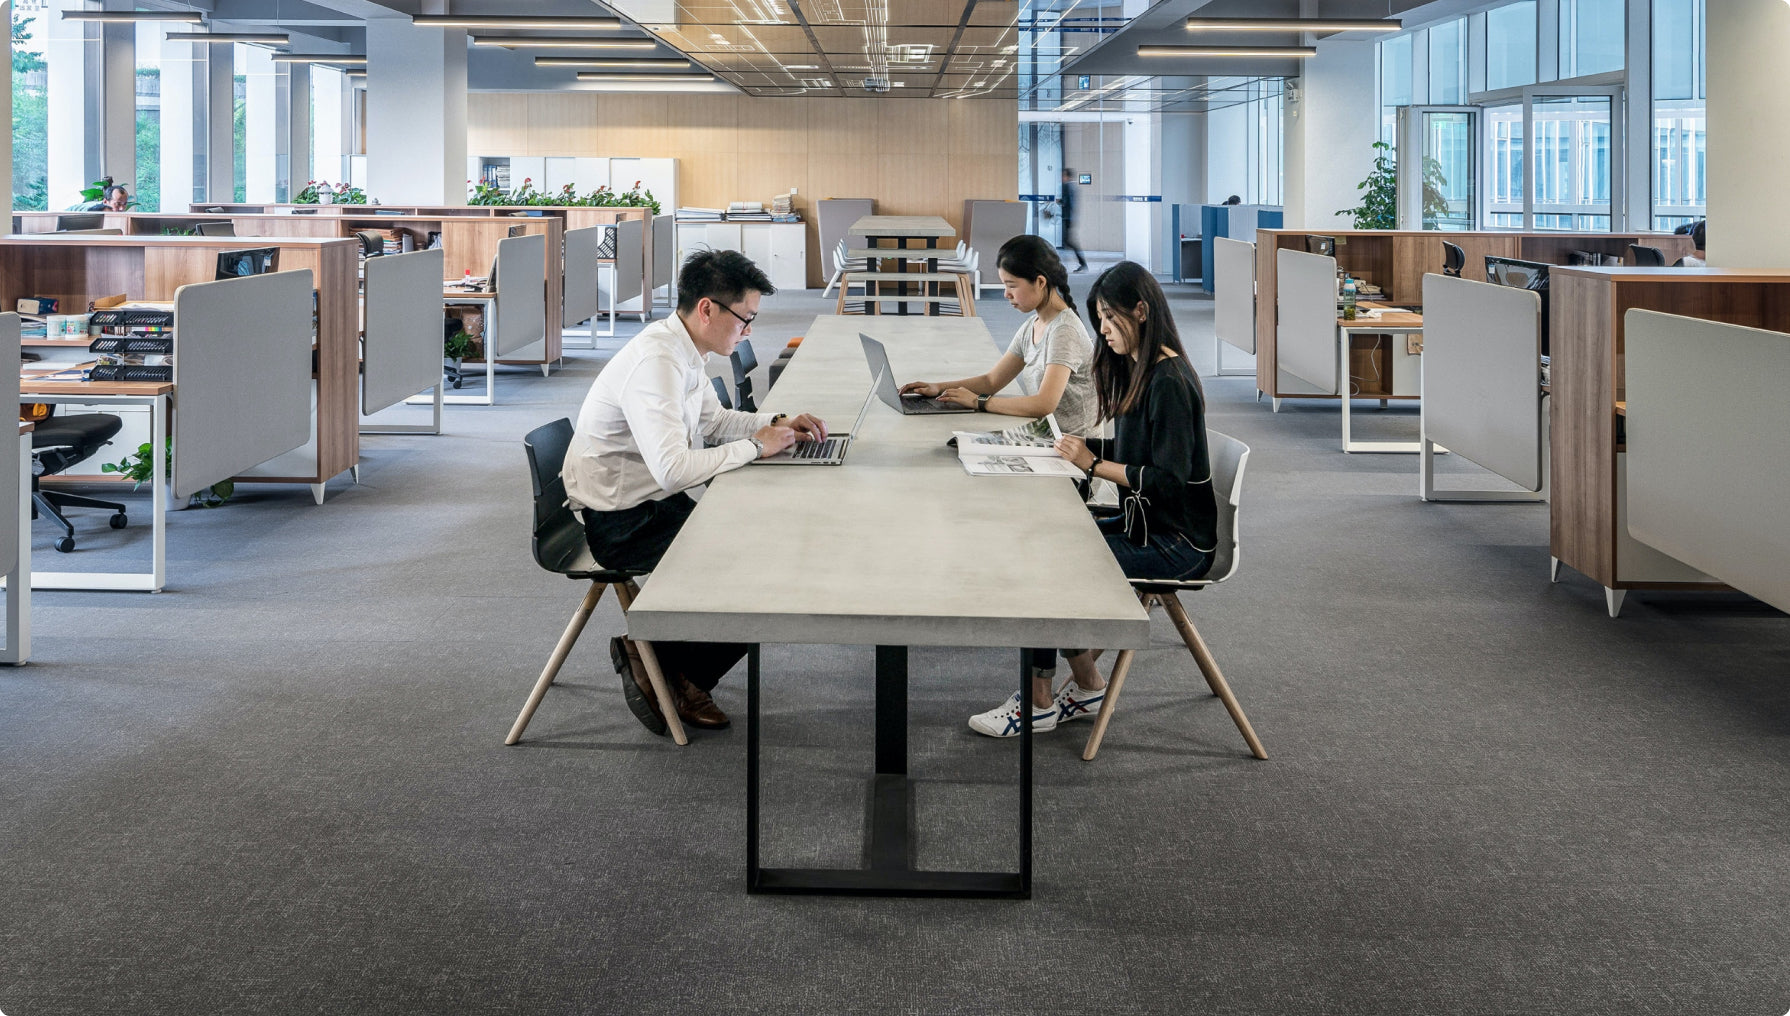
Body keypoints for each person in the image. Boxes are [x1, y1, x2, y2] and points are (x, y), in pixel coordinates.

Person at [563, 249, 828, 736]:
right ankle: (676, 672)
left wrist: (777, 422)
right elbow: (672, 471)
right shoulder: (657, 362)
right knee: (763, 573)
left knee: (773, 547)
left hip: (650, 503)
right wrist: (757, 446)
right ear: (707, 309)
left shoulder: (684, 349)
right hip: (622, 521)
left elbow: (714, 421)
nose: (749, 331)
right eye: (746, 319)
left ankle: (661, 657)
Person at [968, 261, 1219, 738]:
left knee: (1049, 565)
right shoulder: (1143, 370)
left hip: (1178, 543)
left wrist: (1092, 463)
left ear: (1141, 311)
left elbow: (1168, 481)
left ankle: (1039, 703)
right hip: (1146, 523)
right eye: (1099, 318)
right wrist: (1073, 449)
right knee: (1048, 541)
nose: (1102, 330)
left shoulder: (1169, 381)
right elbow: (1138, 453)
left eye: (1109, 318)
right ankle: (1087, 685)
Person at [897, 234, 1098, 438]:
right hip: (1048, 437)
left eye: (1012, 285)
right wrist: (938, 388)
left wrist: (978, 401)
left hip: (1073, 448)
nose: (1006, 294)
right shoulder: (1033, 325)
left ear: (1040, 282)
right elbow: (991, 381)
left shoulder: (1064, 331)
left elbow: (1044, 404)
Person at [1058, 167, 1088, 273]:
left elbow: (1066, 202)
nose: (1062, 178)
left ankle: (1083, 263)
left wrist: (1059, 202)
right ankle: (1083, 263)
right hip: (1071, 218)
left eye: (1063, 175)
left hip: (1067, 217)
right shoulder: (1074, 187)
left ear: (1068, 176)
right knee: (1069, 241)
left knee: (1069, 241)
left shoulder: (1066, 186)